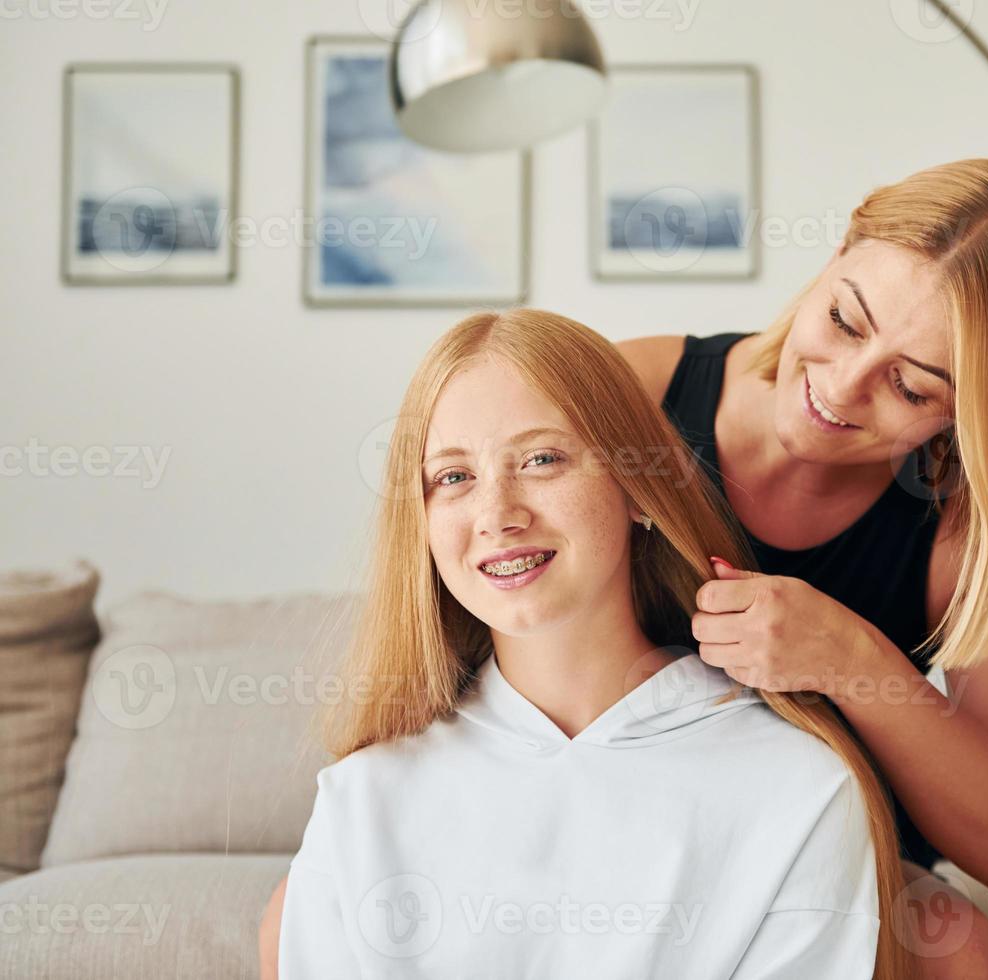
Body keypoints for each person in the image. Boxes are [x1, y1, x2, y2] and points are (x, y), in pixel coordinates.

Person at [273, 309, 917, 979]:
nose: (498, 515)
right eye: (454, 478)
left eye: (542, 459)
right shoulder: (363, 799)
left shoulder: (799, 790)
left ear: (639, 488)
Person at [618, 158, 988, 978]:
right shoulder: (634, 396)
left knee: (955, 947)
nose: (840, 389)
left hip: (828, 855)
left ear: (975, 412)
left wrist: (849, 658)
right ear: (840, 249)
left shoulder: (970, 524)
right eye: (845, 320)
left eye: (911, 389)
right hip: (626, 816)